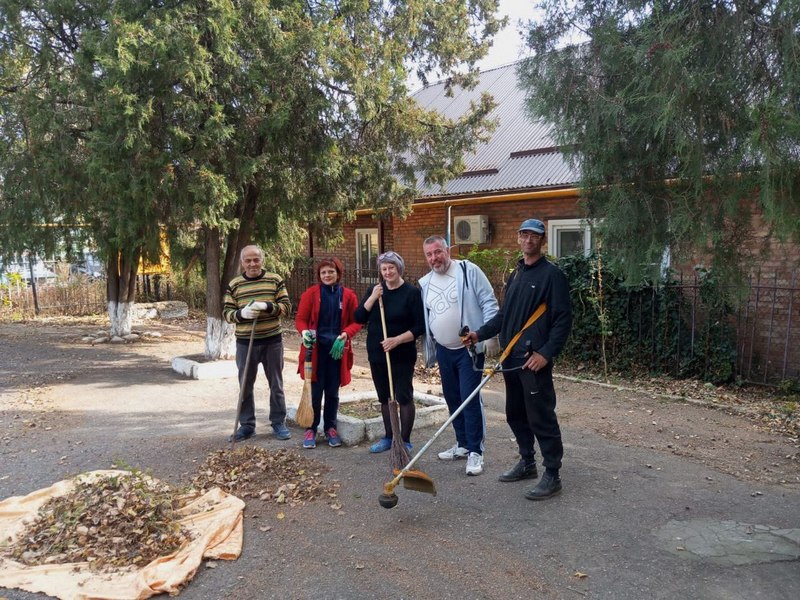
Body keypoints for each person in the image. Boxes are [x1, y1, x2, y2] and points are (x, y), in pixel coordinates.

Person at [463, 219, 572, 500]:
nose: (528, 240)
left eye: (534, 236)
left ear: (542, 241)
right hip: (512, 359)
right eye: (524, 234)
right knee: (515, 414)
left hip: (533, 362)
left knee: (541, 417)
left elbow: (562, 321)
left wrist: (545, 354)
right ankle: (527, 462)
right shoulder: (516, 274)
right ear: (518, 238)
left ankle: (553, 474)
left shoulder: (552, 275)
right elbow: (503, 316)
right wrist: (479, 333)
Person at [419, 235, 499, 476]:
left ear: (448, 250)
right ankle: (462, 444)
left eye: (437, 252)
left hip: (469, 350)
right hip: (444, 350)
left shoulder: (468, 270)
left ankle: (476, 451)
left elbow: (489, 301)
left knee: (469, 399)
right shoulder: (425, 283)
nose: (434, 258)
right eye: (429, 255)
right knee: (453, 398)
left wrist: (491, 335)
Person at [354, 251, 425, 453]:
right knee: (385, 397)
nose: (387, 272)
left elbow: (420, 326)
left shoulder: (411, 293)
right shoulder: (375, 291)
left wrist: (397, 340)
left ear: (399, 268)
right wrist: (373, 298)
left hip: (401, 354)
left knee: (403, 396)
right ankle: (388, 437)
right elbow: (359, 317)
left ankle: (404, 440)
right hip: (377, 354)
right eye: (384, 269)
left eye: (391, 268)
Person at [223, 244, 293, 442]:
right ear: (242, 263)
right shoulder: (235, 284)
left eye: (256, 259)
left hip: (272, 341)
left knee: (276, 384)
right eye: (248, 260)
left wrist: (267, 306)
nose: (252, 264)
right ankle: (247, 426)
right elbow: (227, 313)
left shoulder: (275, 280)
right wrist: (241, 314)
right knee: (245, 384)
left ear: (262, 260)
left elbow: (286, 308)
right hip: (246, 343)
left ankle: (278, 423)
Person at [295, 258, 362, 449]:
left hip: (337, 351)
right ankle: (311, 428)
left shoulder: (348, 296)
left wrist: (345, 335)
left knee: (332, 392)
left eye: (330, 272)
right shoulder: (311, 294)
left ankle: (330, 427)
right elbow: (300, 319)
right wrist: (305, 332)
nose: (327, 275)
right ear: (319, 275)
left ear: (338, 274)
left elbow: (357, 321)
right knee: (315, 392)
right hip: (315, 351)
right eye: (323, 272)